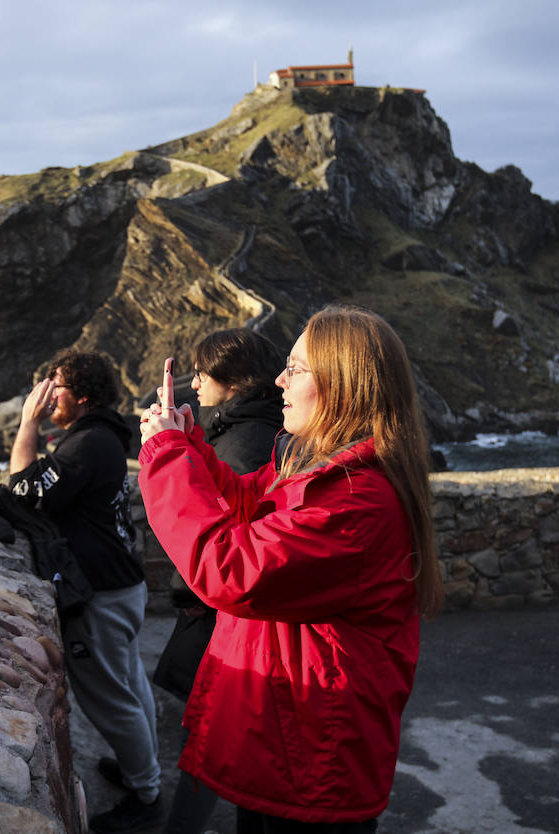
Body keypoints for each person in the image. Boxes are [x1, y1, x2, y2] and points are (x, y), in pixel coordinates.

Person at [138, 305, 442, 832]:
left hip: (312, 760)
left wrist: (164, 457)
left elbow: (231, 568)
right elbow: (243, 503)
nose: (279, 380)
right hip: (290, 746)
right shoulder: (318, 473)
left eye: (296, 369)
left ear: (342, 386)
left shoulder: (353, 502)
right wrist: (187, 445)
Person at [0, 350, 162, 834]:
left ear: (81, 395)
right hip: (124, 582)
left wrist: (27, 424)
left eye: (56, 387)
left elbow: (23, 486)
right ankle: (143, 769)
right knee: (131, 683)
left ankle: (148, 793)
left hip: (102, 592)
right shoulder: (103, 436)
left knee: (111, 698)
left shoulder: (89, 442)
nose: (49, 396)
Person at [148, 328, 284, 834]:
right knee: (223, 742)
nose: (195, 382)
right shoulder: (252, 432)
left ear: (235, 379)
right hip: (227, 614)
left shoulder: (249, 440)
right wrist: (183, 443)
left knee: (221, 741)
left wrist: (166, 451)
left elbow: (231, 551)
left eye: (203, 373)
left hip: (224, 614)